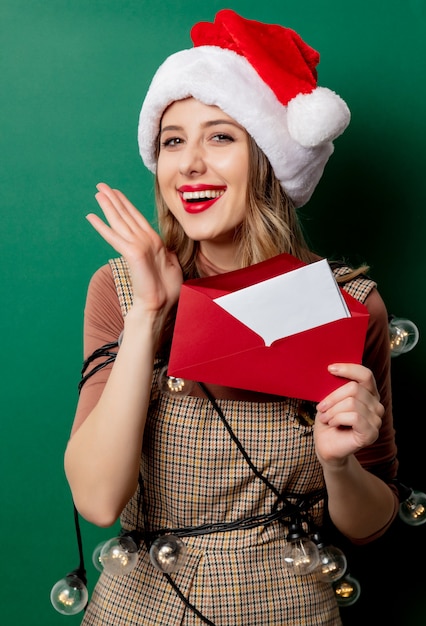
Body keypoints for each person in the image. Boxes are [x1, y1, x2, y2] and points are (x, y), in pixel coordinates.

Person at [64, 9, 399, 626]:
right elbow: (97, 499)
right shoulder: (118, 291)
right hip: (137, 612)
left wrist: (339, 462)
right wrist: (149, 315)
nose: (189, 163)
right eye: (173, 140)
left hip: (292, 609)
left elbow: (372, 522)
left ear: (268, 158)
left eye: (220, 136)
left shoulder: (348, 305)